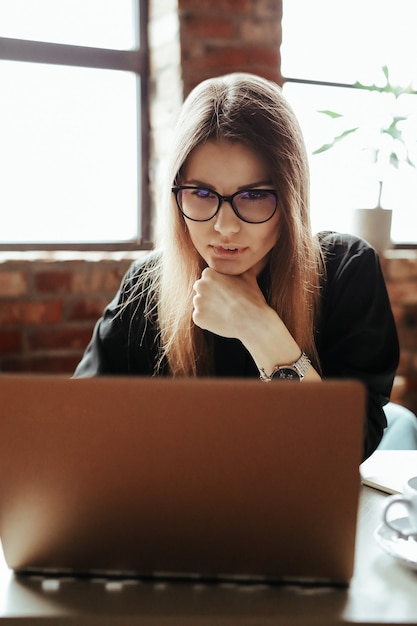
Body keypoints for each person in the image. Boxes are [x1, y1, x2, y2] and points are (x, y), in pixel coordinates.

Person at [74, 72, 409, 460]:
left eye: (253, 195)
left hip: (298, 515)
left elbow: (340, 450)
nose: (224, 227)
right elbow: (78, 428)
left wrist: (258, 327)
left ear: (290, 195)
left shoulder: (345, 269)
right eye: (201, 193)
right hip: (167, 515)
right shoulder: (148, 284)